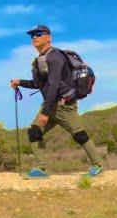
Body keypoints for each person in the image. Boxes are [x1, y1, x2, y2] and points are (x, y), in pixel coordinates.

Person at [10, 24, 104, 179]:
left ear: (49, 37)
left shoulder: (55, 57)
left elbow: (54, 84)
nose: (34, 37)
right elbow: (38, 84)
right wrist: (20, 82)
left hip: (64, 105)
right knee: (34, 131)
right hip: (50, 103)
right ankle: (41, 169)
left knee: (79, 135)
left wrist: (45, 112)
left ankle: (98, 165)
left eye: (38, 34)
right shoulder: (39, 59)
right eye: (32, 35)